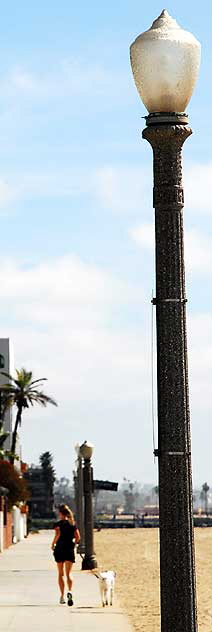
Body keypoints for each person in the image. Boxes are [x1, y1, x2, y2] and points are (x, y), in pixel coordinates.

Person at [51, 504, 80, 605]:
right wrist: (74, 545)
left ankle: (62, 596)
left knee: (60, 574)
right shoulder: (72, 524)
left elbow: (57, 535)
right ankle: (70, 591)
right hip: (69, 549)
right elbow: (78, 537)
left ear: (61, 514)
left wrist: (52, 544)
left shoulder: (58, 524)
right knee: (69, 574)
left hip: (59, 549)